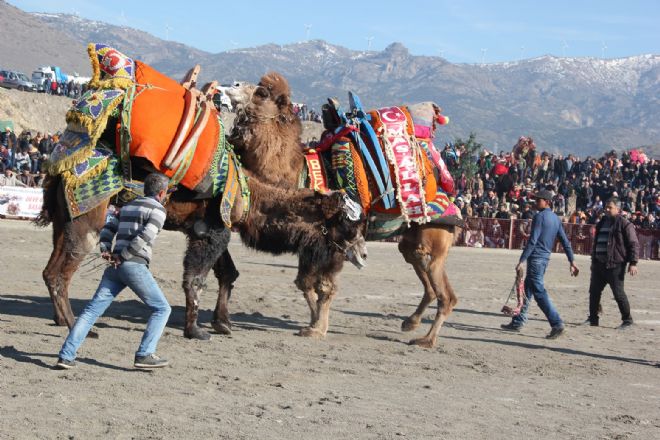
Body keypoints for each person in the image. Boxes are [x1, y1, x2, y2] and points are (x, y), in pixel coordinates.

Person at [56, 173, 172, 370]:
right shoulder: (158, 210)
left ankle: (66, 355)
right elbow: (145, 236)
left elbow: (108, 228)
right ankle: (145, 354)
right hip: (133, 264)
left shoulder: (127, 206)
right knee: (162, 309)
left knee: (91, 311)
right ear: (162, 193)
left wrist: (107, 251)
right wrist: (123, 255)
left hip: (115, 267)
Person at [501, 189, 579, 339]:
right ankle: (518, 321)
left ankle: (557, 324)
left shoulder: (539, 217)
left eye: (538, 200)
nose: (535, 203)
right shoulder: (556, 219)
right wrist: (572, 261)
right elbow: (565, 241)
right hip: (544, 260)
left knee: (539, 293)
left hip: (536, 258)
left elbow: (533, 240)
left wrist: (522, 260)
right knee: (527, 291)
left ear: (547, 202)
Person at [587, 197, 639, 328]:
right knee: (594, 292)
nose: (607, 210)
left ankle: (627, 320)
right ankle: (593, 319)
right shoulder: (602, 223)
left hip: (616, 265)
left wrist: (633, 262)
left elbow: (634, 244)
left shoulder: (625, 224)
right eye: (606, 207)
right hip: (599, 264)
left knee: (618, 293)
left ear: (618, 209)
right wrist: (594, 260)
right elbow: (596, 243)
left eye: (610, 207)